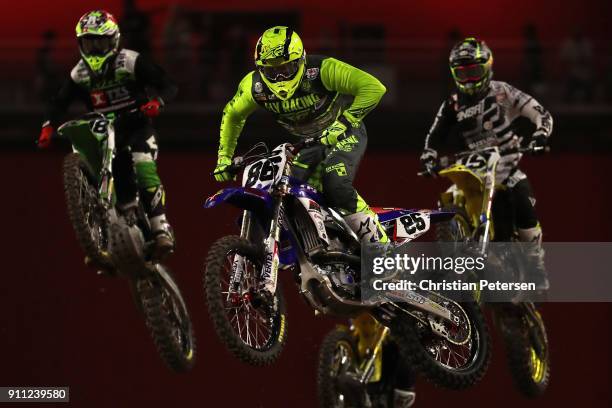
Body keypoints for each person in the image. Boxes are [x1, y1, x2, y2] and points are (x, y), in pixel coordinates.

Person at [214, 26, 389, 244]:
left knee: (335, 184)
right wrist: (224, 158)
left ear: (301, 60)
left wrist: (345, 122)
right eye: (271, 71)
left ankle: (381, 247)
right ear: (259, 68)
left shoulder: (323, 69)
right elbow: (232, 115)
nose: (279, 78)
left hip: (345, 133)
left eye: (285, 69)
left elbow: (373, 87)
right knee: (287, 193)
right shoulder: (254, 86)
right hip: (307, 145)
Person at [37, 10, 177, 261]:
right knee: (91, 176)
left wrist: (158, 101)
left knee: (143, 166)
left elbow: (167, 83)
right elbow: (58, 102)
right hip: (104, 133)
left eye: (100, 42)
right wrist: (48, 126)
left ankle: (160, 228)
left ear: (113, 40)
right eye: (88, 43)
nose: (94, 49)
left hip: (137, 127)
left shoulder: (130, 61)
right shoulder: (79, 73)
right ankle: (99, 241)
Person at [420, 37, 553, 289]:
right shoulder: (452, 103)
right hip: (472, 166)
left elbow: (540, 113)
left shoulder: (503, 91)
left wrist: (540, 134)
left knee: (522, 199)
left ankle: (536, 267)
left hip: (505, 165)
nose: (469, 79)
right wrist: (428, 155)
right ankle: (458, 254)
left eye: (474, 71)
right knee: (447, 196)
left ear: (488, 67)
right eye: (462, 73)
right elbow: (434, 134)